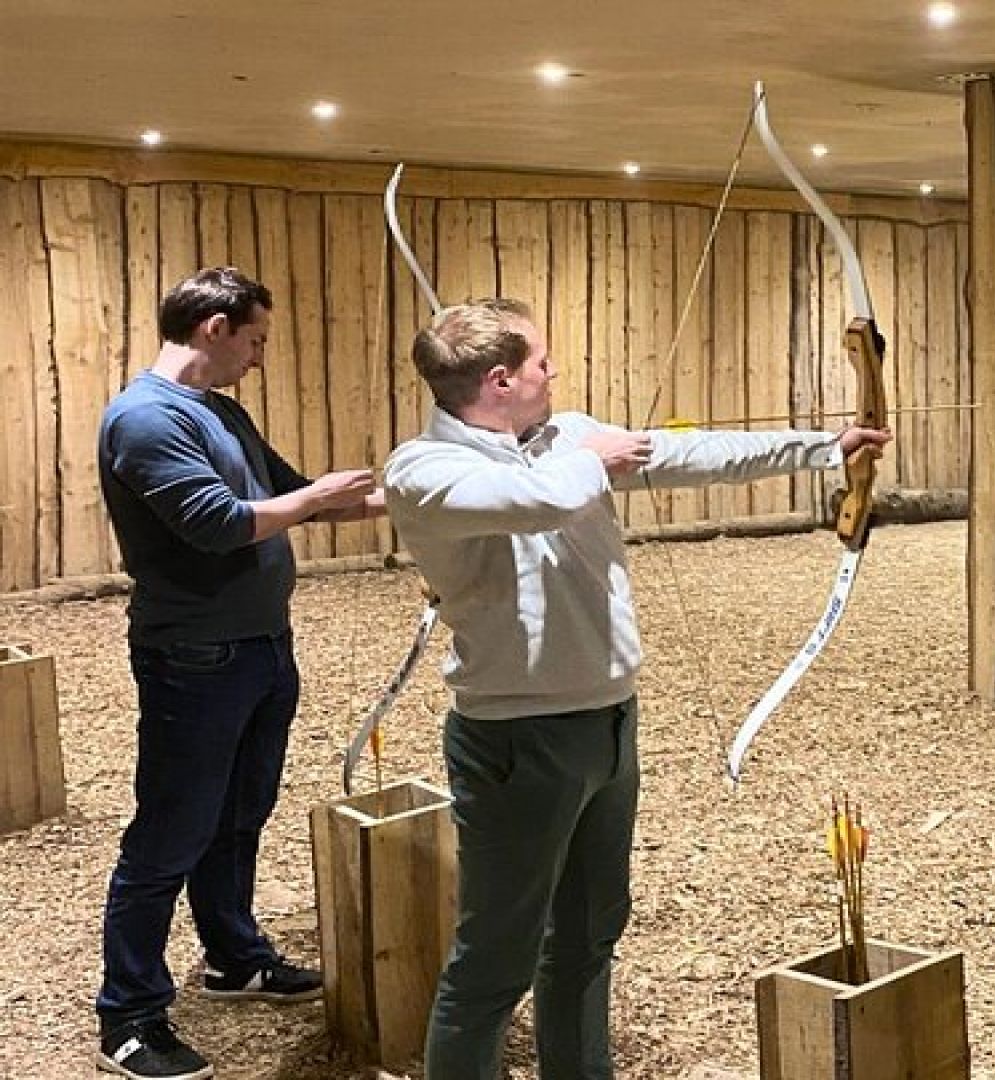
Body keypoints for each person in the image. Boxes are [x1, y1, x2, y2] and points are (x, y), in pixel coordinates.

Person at [382, 298, 890, 1078]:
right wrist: (598, 456)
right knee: (493, 965)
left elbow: (691, 454)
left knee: (589, 937)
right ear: (499, 379)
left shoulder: (565, 438)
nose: (553, 374)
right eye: (541, 363)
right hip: (518, 740)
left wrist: (827, 446)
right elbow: (536, 500)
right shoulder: (424, 470)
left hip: (609, 724)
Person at [94, 267, 387, 1080]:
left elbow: (291, 496)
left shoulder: (221, 410)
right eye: (255, 339)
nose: (258, 356)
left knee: (238, 814)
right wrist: (315, 498)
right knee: (169, 834)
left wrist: (404, 496)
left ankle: (231, 957)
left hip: (260, 645)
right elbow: (219, 525)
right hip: (194, 656)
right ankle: (129, 1013)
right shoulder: (146, 419)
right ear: (215, 329)